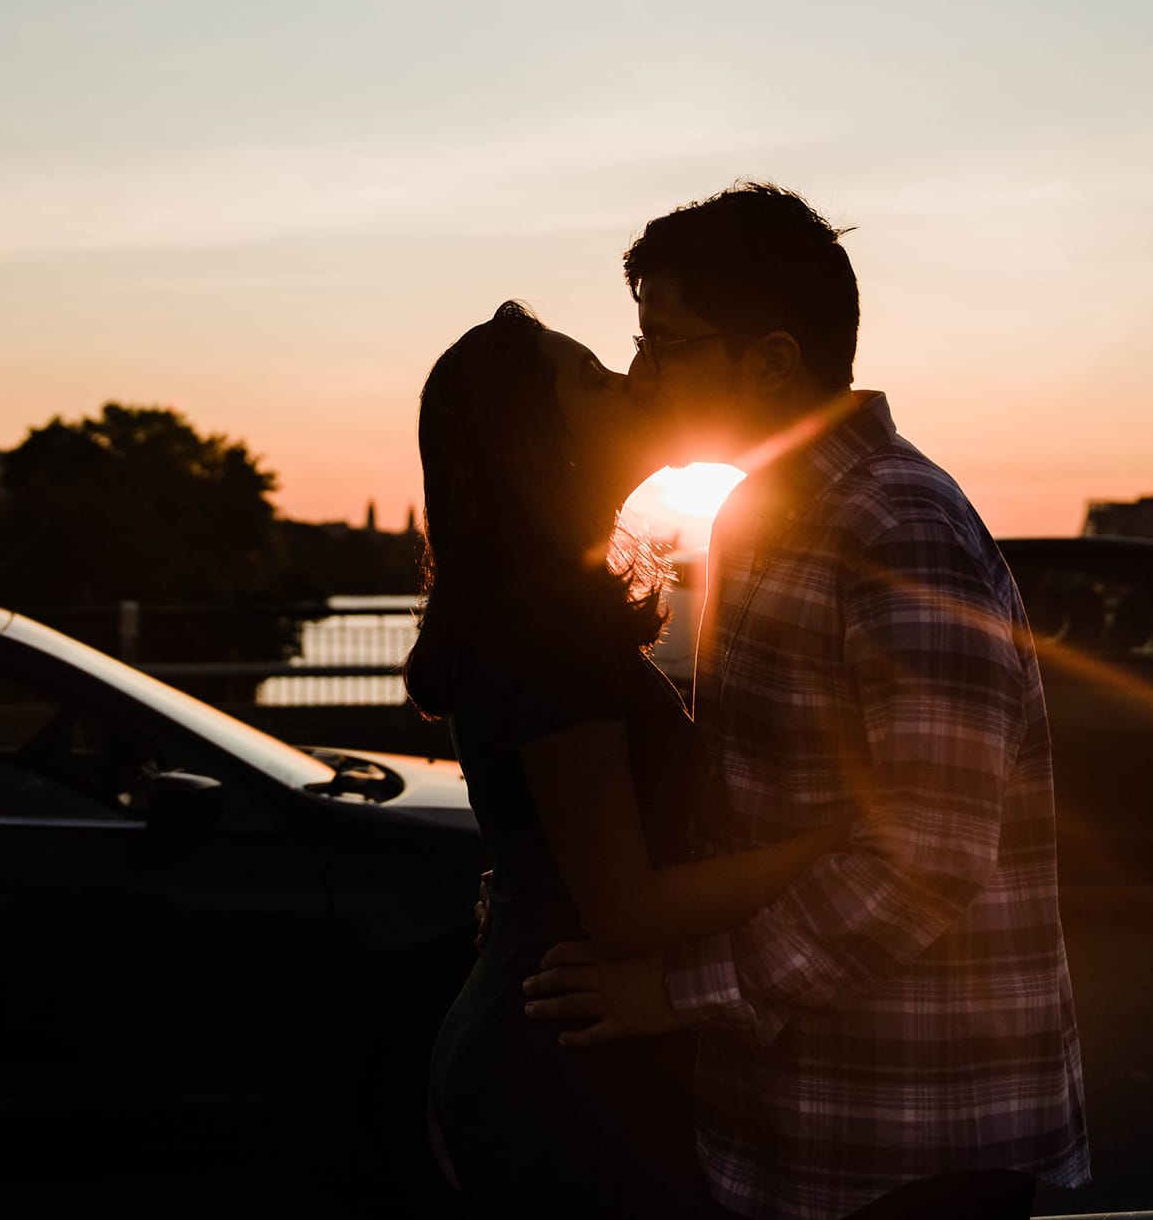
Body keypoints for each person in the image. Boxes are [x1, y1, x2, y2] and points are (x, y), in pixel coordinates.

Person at [522, 183, 1092, 1219]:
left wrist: (677, 990)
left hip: (912, 1133)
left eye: (666, 342)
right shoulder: (758, 512)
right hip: (794, 1120)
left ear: (772, 359)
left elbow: (927, 854)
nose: (640, 374)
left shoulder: (894, 522)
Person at [410, 300, 849, 1218]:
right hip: (571, 1058)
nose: (633, 380)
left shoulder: (541, 611)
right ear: (540, 446)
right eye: (593, 378)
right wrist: (833, 841)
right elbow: (627, 905)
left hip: (557, 1027)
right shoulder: (544, 627)